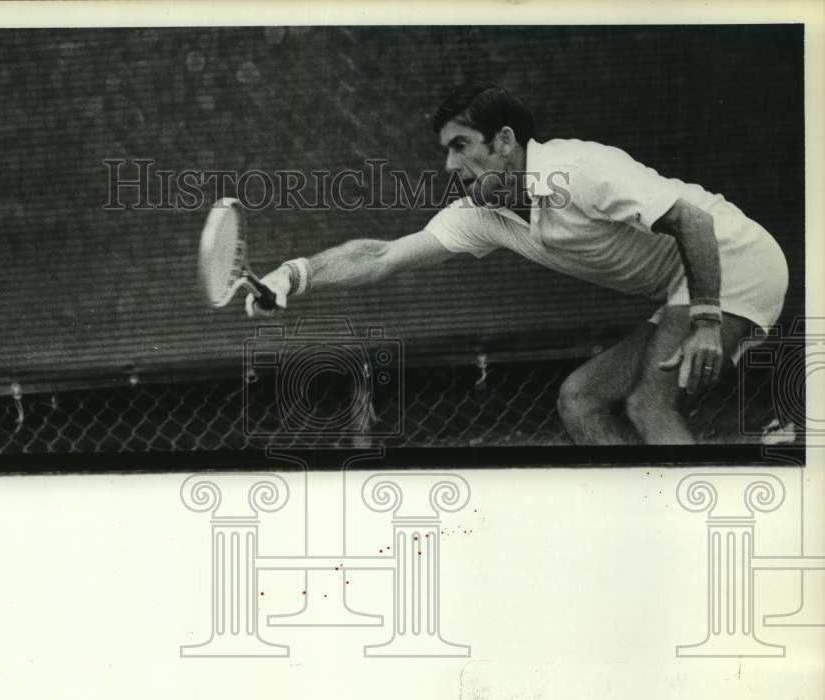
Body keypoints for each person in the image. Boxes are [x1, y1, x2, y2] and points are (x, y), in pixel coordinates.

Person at [244, 83, 788, 445]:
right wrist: (295, 273)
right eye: (445, 152)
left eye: (461, 146)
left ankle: (688, 528)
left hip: (736, 259)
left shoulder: (579, 170)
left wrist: (708, 320)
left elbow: (694, 222)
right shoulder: (483, 213)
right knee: (581, 399)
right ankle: (642, 502)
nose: (450, 165)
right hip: (682, 285)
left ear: (504, 142)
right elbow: (383, 256)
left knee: (649, 403)